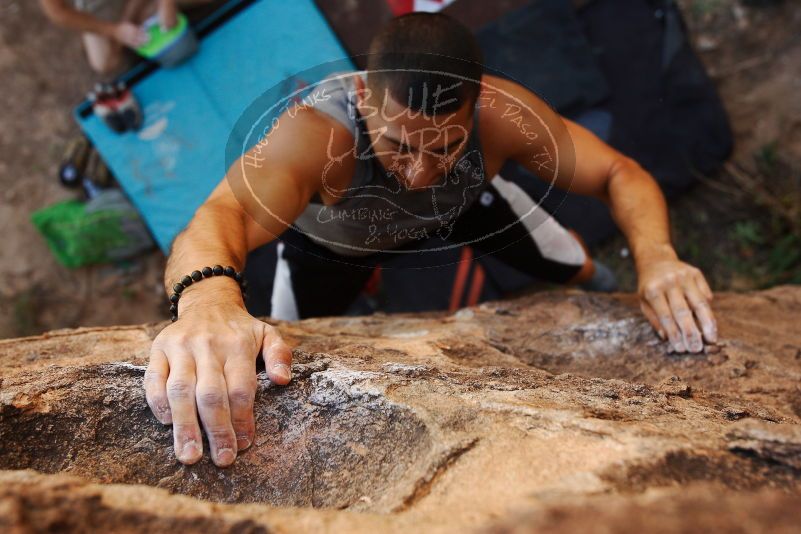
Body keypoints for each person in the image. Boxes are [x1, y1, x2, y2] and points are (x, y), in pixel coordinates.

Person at [144, 13, 718, 467]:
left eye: (444, 146)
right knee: (286, 350)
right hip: (341, 246)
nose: (419, 173)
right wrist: (207, 303)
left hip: (462, 209)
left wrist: (659, 258)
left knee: (582, 270)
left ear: (475, 110)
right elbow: (219, 213)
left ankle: (620, 290)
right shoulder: (314, 135)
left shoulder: (501, 116)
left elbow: (619, 173)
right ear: (366, 102)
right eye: (399, 145)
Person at [39, 0, 209, 74]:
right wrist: (113, 31)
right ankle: (136, 15)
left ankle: (138, 14)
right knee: (105, 61)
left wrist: (167, 3)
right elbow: (58, 13)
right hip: (99, 5)